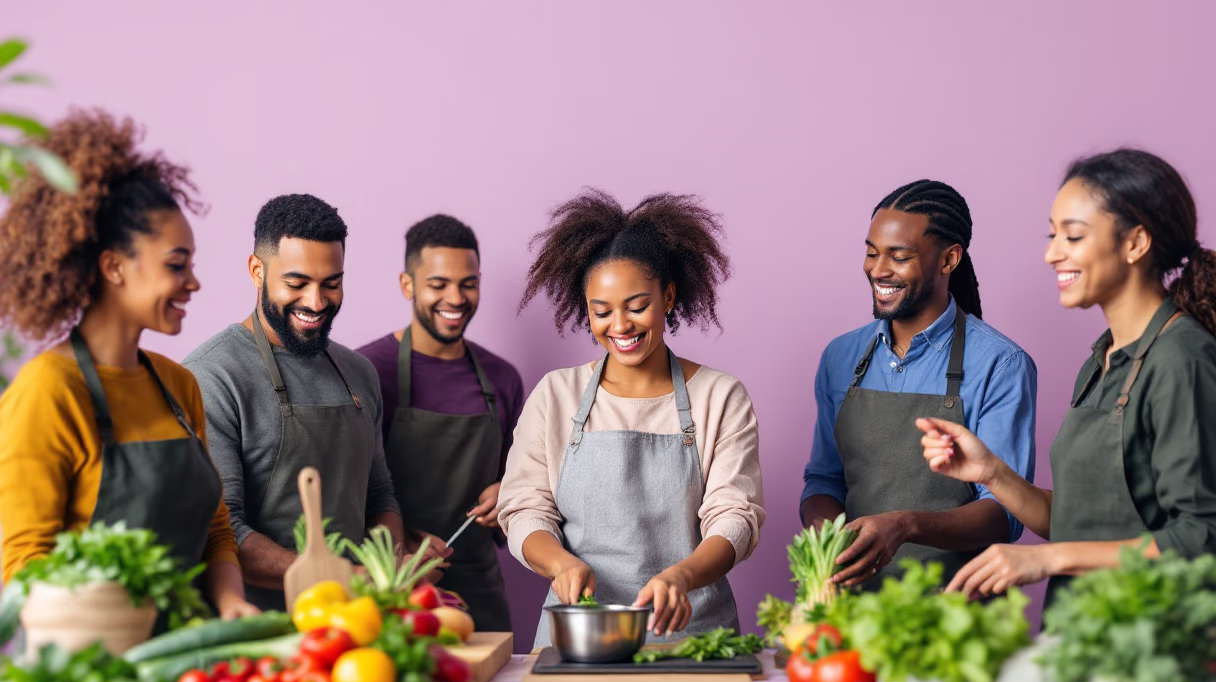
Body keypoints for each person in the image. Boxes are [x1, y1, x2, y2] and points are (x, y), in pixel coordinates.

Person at [920, 150, 1216, 604]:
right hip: (1082, 639)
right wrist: (992, 472)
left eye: (1072, 237)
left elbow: (1202, 540)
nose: (1051, 253)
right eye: (1052, 234)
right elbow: (1080, 523)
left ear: (1136, 243)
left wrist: (1050, 560)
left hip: (1151, 650)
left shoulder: (1182, 358)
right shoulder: (1103, 359)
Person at [0, 110, 256, 619]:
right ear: (114, 266)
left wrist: (230, 606)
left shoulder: (178, 384)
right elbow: (23, 566)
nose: (193, 282)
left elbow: (215, 529)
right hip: (92, 671)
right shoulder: (47, 391)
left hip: (188, 666)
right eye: (175, 265)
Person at [497, 189, 765, 646]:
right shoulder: (556, 395)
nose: (619, 326)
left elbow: (734, 516)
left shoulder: (720, 396)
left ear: (669, 296)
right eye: (601, 312)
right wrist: (560, 563)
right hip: (578, 635)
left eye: (637, 306)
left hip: (692, 640)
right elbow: (524, 508)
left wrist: (682, 576)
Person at [801, 180, 1038, 590]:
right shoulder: (840, 358)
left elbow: (1004, 513)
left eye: (900, 256)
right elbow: (825, 481)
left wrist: (905, 525)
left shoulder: (1001, 363)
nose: (878, 269)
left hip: (956, 615)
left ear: (949, 259)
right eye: (872, 252)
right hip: (852, 609)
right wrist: (828, 546)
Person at [184, 194, 408, 610]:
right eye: (296, 283)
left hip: (358, 618)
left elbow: (379, 495)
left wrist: (392, 570)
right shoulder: (210, 376)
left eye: (332, 283)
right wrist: (342, 576)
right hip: (259, 629)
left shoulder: (359, 373)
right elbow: (223, 530)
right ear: (257, 270)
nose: (316, 302)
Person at [357, 215, 524, 633]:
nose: (456, 297)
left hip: (479, 593)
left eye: (468, 283)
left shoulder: (503, 379)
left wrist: (510, 491)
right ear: (407, 285)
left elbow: (523, 480)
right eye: (438, 284)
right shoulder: (365, 372)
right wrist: (403, 539)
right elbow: (347, 487)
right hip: (391, 588)